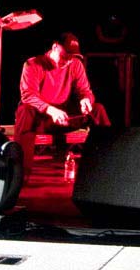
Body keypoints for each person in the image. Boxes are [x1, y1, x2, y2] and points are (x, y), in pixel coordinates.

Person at [14, 32, 111, 179]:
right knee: (25, 111)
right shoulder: (33, 64)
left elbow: (85, 90)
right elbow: (28, 95)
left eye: (72, 57)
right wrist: (50, 110)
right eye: (65, 55)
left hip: (64, 118)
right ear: (55, 47)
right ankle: (20, 173)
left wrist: (86, 100)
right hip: (42, 119)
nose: (68, 60)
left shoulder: (75, 64)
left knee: (98, 109)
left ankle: (109, 162)